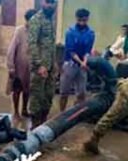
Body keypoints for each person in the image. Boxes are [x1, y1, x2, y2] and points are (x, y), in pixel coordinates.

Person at [27, 0, 57, 128]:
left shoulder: (51, 20)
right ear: (42, 3)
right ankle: (34, 128)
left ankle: (43, 125)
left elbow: (50, 45)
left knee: (48, 96)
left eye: (53, 2)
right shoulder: (36, 19)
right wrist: (39, 65)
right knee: (37, 98)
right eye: (47, 2)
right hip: (39, 68)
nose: (50, 5)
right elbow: (32, 44)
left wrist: (55, 63)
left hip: (50, 67)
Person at [59, 9, 95, 112]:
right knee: (64, 92)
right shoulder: (70, 32)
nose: (82, 23)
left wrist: (85, 62)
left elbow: (88, 50)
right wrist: (81, 62)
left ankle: (77, 114)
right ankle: (62, 113)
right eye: (80, 20)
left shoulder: (91, 33)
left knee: (82, 93)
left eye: (84, 20)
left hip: (82, 65)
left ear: (87, 19)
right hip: (70, 64)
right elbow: (71, 51)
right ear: (76, 19)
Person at [6, 9, 35, 119]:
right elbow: (11, 50)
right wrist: (11, 67)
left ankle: (24, 110)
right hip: (18, 68)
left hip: (30, 68)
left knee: (27, 90)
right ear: (27, 20)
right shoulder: (19, 31)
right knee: (17, 90)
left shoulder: (36, 31)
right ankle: (16, 112)